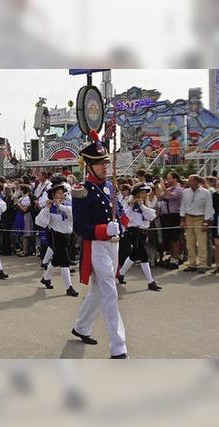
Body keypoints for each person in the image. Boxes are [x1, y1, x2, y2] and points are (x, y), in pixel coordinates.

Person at [71, 134, 130, 359]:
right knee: (109, 292)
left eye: (106, 162)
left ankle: (82, 327)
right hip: (96, 246)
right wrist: (105, 229)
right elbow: (80, 226)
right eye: (100, 163)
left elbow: (119, 209)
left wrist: (124, 223)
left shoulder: (109, 185)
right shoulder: (81, 190)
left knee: (99, 290)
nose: (105, 166)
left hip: (112, 246)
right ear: (89, 166)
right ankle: (118, 347)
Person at [35, 182, 79, 297]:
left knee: (56, 260)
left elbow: (73, 216)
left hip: (68, 236)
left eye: (62, 193)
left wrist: (60, 206)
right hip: (56, 236)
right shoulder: (49, 208)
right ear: (53, 195)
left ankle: (46, 278)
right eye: (58, 193)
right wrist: (47, 208)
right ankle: (69, 287)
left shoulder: (68, 205)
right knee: (64, 262)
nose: (61, 195)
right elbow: (40, 222)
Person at [117, 183, 161, 291]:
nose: (145, 194)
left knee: (134, 255)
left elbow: (151, 216)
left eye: (146, 192)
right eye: (142, 192)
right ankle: (151, 282)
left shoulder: (146, 203)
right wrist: (132, 207)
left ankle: (121, 273)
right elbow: (127, 218)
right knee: (144, 256)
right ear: (137, 193)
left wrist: (142, 206)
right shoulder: (129, 202)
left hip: (143, 232)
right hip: (134, 231)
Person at [180, 174, 214, 273]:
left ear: (196, 181)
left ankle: (202, 264)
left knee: (202, 243)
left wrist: (206, 222)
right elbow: (183, 206)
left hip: (200, 219)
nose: (188, 182)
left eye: (190, 180)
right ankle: (192, 263)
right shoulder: (185, 192)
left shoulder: (206, 193)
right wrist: (182, 220)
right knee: (190, 243)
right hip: (188, 218)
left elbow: (208, 208)